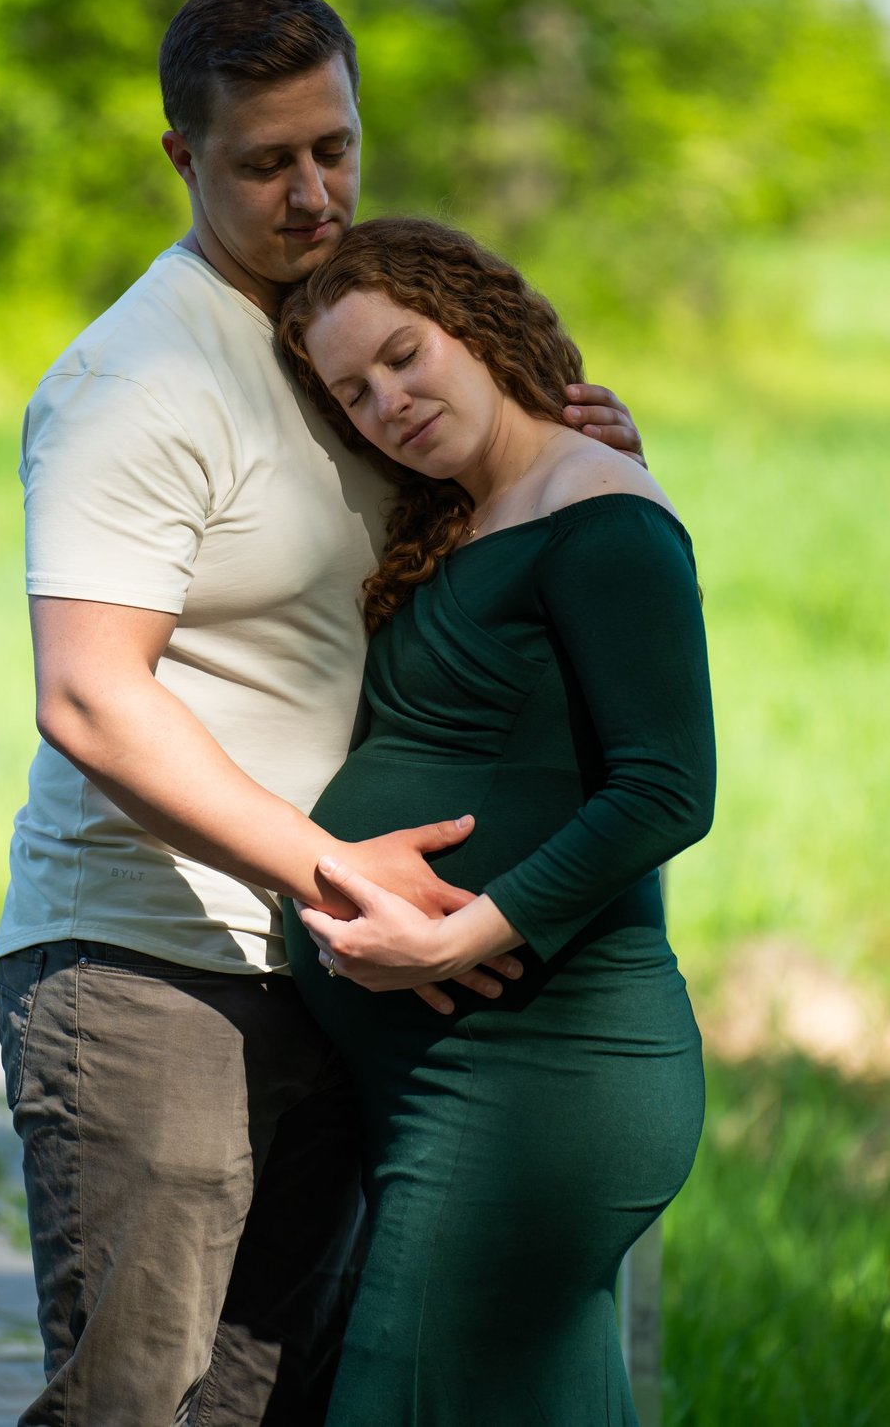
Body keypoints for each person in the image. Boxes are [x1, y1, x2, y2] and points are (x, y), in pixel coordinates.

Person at [0, 0, 644, 1427]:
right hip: (155, 963)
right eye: (264, 162)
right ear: (183, 157)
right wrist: (336, 871)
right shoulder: (134, 380)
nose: (312, 195)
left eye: (334, 149)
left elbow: (492, 593)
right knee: (132, 1406)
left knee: (273, 1406)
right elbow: (89, 698)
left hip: (339, 973)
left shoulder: (357, 347)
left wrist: (577, 465)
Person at [277, 216, 715, 1426]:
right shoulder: (472, 513)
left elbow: (669, 788)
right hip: (450, 1074)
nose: (389, 403)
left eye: (405, 354)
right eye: (354, 393)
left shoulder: (601, 510)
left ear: (475, 323)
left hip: (545, 1072)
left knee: (399, 1398)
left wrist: (454, 940)